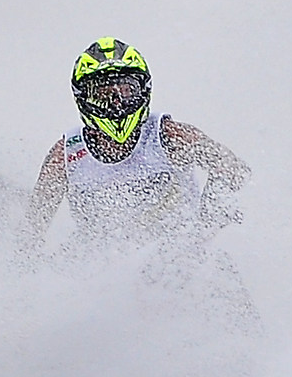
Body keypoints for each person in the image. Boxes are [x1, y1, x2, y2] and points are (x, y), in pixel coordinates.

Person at [25, 38, 250, 251]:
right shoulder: (66, 155)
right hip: (104, 267)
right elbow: (32, 227)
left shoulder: (170, 136)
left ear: (143, 90)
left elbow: (234, 169)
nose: (117, 104)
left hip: (183, 259)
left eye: (126, 91)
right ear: (83, 99)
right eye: (103, 94)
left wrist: (209, 218)